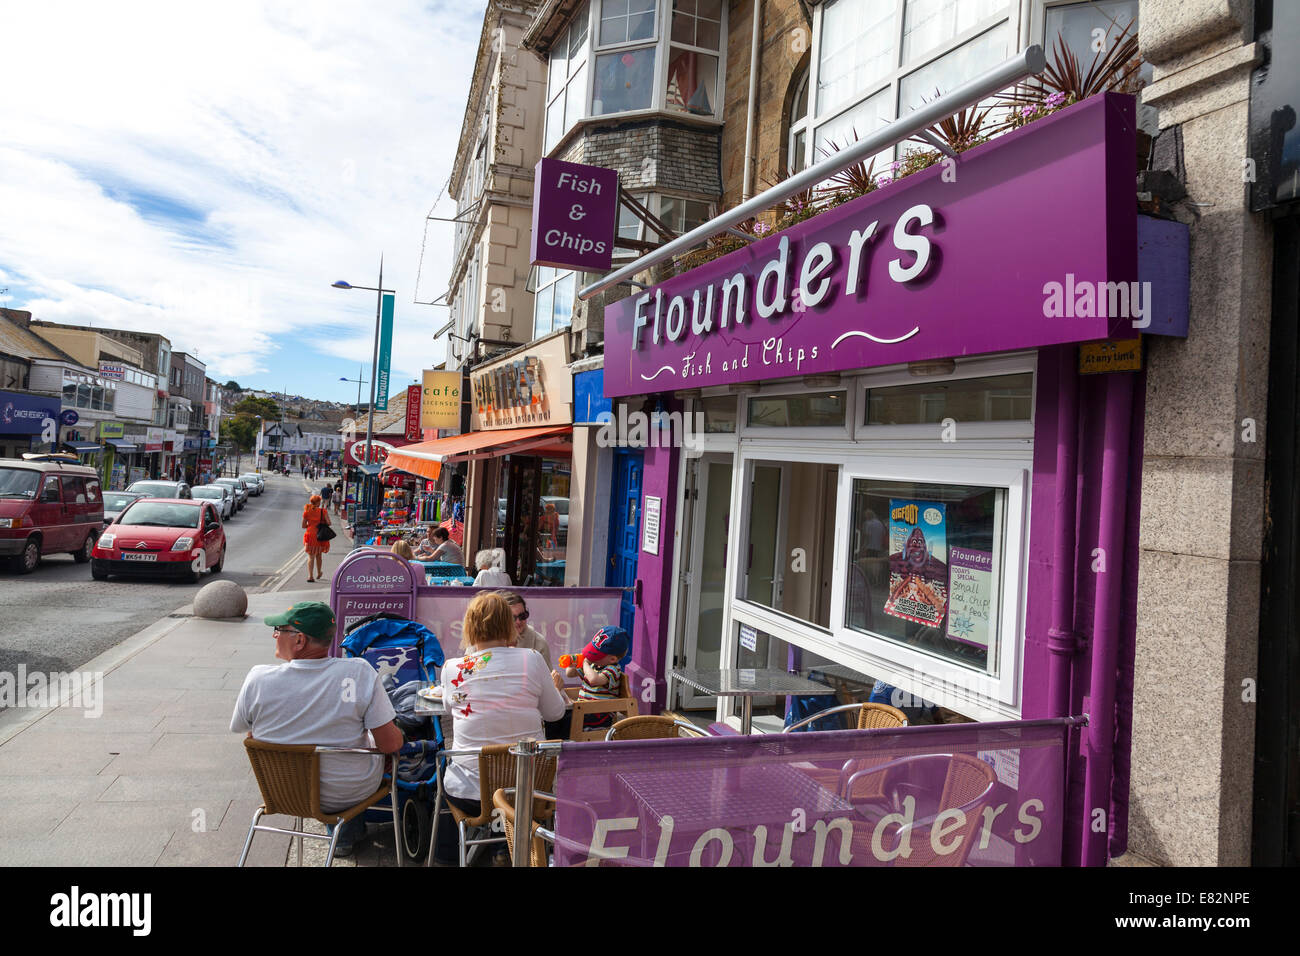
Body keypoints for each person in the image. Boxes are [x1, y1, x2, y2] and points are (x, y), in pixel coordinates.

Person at [229, 601, 403, 856]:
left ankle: (343, 837)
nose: (275, 635)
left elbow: (249, 733)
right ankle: (345, 835)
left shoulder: (258, 678)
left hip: (282, 790)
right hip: (349, 791)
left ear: (299, 640)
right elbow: (391, 745)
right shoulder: (358, 672)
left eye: (279, 629)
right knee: (382, 744)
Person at [434, 592, 568, 866]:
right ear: (509, 624)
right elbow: (555, 713)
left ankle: (446, 857)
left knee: (444, 767)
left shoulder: (453, 669)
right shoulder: (531, 659)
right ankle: (505, 847)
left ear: (470, 626)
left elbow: (450, 709)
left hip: (472, 793)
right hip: (529, 788)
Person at [562, 626, 629, 733]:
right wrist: (573, 663)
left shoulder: (612, 670)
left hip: (600, 716)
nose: (590, 657)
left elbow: (594, 680)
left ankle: (564, 745)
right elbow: (569, 674)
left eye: (595, 654)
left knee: (564, 722)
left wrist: (585, 663)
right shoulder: (593, 665)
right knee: (556, 716)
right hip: (584, 710)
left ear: (612, 659)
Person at [499, 591, 552, 670]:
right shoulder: (487, 641)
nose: (518, 621)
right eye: (512, 618)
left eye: (522, 616)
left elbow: (547, 678)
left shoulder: (539, 643)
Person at [302, 493, 332, 583]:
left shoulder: (306, 511)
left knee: (311, 556)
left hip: (310, 535)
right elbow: (329, 523)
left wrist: (310, 525)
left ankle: (310, 576)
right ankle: (319, 572)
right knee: (319, 555)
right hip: (320, 534)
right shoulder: (323, 511)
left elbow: (303, 525)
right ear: (318, 502)